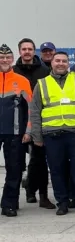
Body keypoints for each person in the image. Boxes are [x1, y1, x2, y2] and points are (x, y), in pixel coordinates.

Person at [29, 52, 75, 215]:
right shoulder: (42, 84)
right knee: (57, 170)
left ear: (68, 63)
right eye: (57, 61)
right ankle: (62, 203)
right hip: (52, 134)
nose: (60, 63)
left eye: (64, 61)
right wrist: (37, 136)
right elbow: (35, 112)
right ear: (51, 63)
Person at [13, 38, 55, 209]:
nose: (27, 52)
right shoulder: (13, 71)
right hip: (16, 122)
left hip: (38, 121)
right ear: (20, 51)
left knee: (39, 161)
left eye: (30, 49)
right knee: (16, 162)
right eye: (24, 49)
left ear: (34, 51)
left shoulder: (45, 71)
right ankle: (18, 196)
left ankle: (43, 196)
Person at [0, 44, 32, 217]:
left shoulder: (22, 81)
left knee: (14, 170)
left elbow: (31, 110)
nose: (4, 60)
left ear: (12, 60)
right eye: (1, 57)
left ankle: (9, 204)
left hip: (15, 133)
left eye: (7, 57)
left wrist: (28, 131)